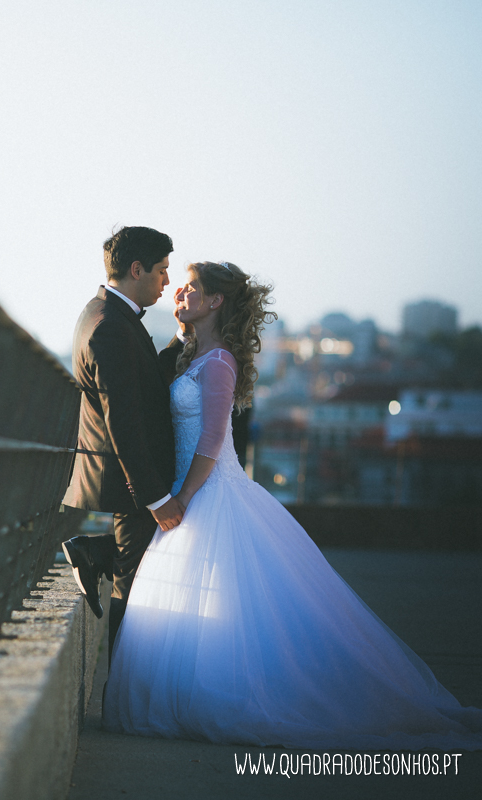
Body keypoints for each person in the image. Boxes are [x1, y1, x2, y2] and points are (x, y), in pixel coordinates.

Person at [102, 261, 482, 749]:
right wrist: (182, 331)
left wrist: (183, 497)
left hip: (207, 491)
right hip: (191, 489)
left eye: (192, 287)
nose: (180, 291)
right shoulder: (196, 355)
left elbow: (213, 440)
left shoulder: (219, 362)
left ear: (216, 301)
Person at [59, 226, 184, 662]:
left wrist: (181, 339)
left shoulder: (105, 312)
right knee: (130, 590)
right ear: (136, 269)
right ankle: (120, 691)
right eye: (162, 270)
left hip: (127, 478)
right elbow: (124, 423)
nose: (167, 281)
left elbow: (142, 381)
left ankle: (94, 549)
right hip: (130, 482)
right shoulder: (110, 327)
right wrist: (155, 497)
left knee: (142, 569)